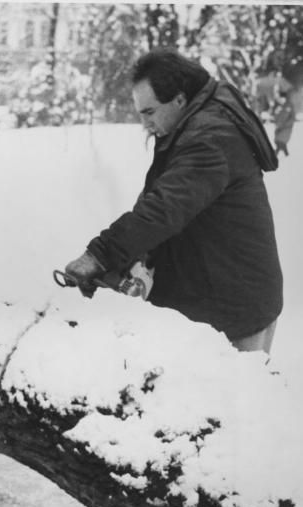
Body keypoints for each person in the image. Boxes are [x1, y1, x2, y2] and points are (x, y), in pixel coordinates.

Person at [63, 48, 283, 354]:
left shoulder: (209, 138)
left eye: (149, 112)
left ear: (179, 99)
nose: (145, 125)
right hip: (221, 290)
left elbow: (163, 209)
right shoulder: (194, 124)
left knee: (227, 400)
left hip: (236, 308)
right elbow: (161, 200)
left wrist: (100, 255)